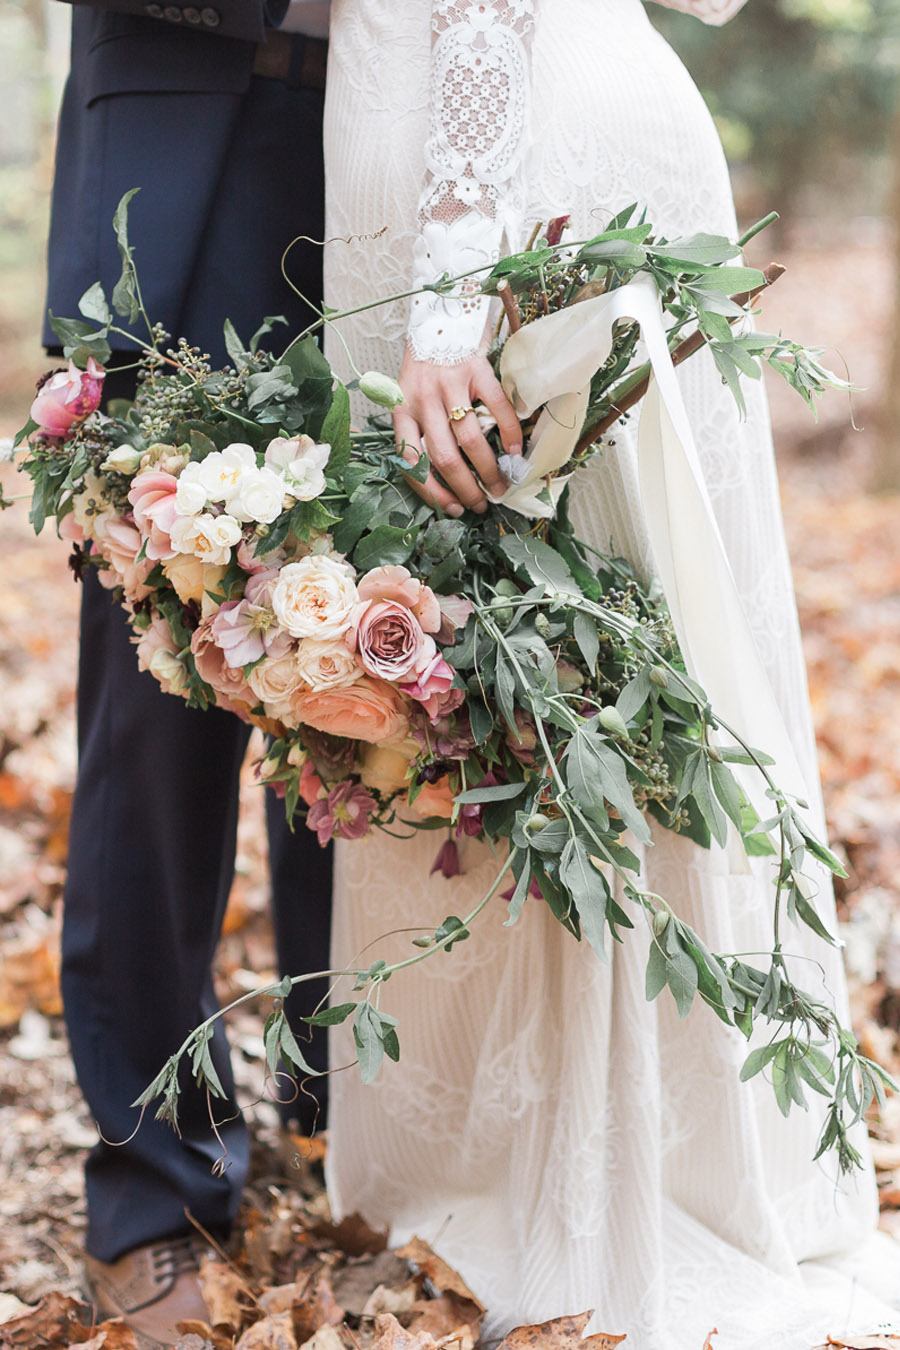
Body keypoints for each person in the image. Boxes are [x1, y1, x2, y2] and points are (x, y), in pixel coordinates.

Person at [321, 1, 900, 1345]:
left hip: (494, 160)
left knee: (529, 653)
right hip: (606, 104)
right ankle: (675, 1139)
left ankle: (575, 1179)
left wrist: (454, 293)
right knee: (632, 645)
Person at [44, 2, 331, 1342]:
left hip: (433, 151)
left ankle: (351, 1117)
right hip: (200, 105)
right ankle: (158, 1181)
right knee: (166, 678)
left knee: (380, 664)